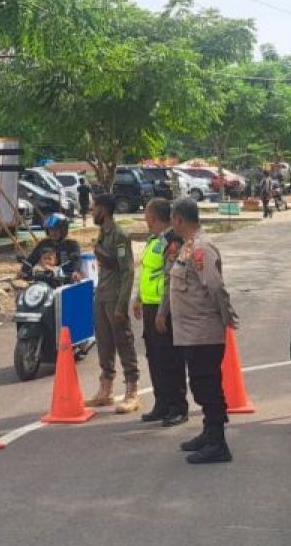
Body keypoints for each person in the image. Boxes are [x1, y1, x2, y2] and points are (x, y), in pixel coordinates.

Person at [157, 197, 238, 464]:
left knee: (207, 385)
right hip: (191, 332)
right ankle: (208, 432)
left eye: (172, 219)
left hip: (204, 332)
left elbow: (214, 286)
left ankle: (217, 442)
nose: (171, 224)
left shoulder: (202, 247)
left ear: (179, 219)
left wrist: (226, 317)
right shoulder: (188, 248)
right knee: (201, 384)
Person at [133, 198, 188, 427]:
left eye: (146, 214)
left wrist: (162, 312)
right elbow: (148, 271)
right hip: (149, 306)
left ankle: (177, 407)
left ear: (153, 216)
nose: (145, 218)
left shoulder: (172, 242)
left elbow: (169, 278)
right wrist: (138, 297)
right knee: (154, 357)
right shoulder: (154, 240)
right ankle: (162, 403)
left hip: (165, 309)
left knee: (170, 359)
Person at [86, 194, 141, 414]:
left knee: (123, 342)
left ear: (104, 210)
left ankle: (132, 390)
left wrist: (122, 304)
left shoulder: (119, 235)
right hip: (102, 294)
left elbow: (127, 270)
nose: (91, 211)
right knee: (104, 343)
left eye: (94, 208)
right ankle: (105, 389)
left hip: (115, 297)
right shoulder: (103, 232)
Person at [22, 213, 81, 281]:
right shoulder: (43, 244)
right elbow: (31, 259)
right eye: (51, 229)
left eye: (56, 229)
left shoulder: (71, 245)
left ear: (63, 230)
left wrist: (76, 271)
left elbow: (76, 259)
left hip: (65, 281)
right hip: (44, 280)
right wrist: (24, 269)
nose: (53, 232)